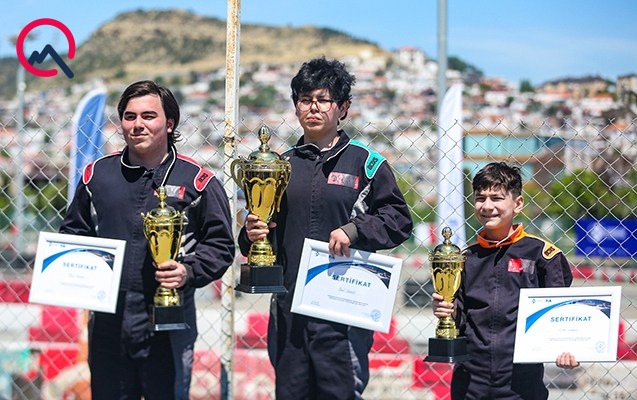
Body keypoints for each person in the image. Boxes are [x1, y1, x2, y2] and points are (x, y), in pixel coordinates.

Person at [239, 57, 413, 399]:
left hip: (344, 309)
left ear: (343, 107)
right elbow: (257, 238)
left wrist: (355, 229)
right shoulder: (279, 166)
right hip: (289, 305)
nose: (314, 107)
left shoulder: (367, 164)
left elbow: (399, 221)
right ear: (296, 106)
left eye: (323, 99)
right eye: (305, 99)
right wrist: (251, 233)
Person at [60, 80, 235, 400]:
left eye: (148, 116)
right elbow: (73, 235)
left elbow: (221, 245)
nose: (137, 124)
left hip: (170, 321)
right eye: (130, 116)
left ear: (169, 123)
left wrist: (188, 271)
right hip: (109, 323)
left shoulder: (198, 182)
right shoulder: (96, 176)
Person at [432, 161, 579, 400]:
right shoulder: (464, 259)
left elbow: (562, 314)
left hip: (521, 386)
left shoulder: (543, 256)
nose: (487, 206)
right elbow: (459, 319)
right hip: (470, 384)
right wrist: (446, 310)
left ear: (517, 203)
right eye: (480, 198)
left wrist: (569, 348)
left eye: (496, 198)